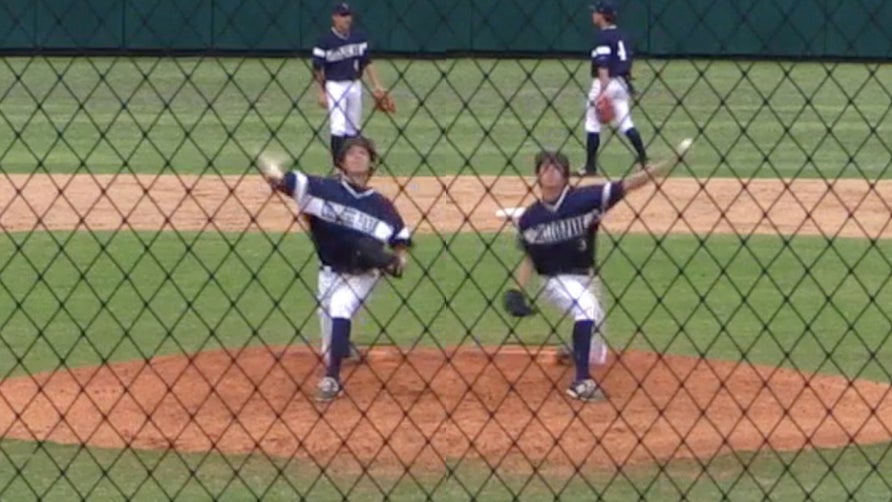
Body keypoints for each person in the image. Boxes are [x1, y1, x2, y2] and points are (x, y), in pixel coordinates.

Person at [503, 150, 674, 401]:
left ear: (566, 175)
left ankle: (574, 352)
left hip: (588, 280)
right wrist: (517, 289)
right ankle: (580, 383)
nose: (551, 171)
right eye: (545, 167)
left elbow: (629, 184)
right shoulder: (530, 218)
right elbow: (530, 257)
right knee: (586, 308)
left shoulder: (585, 199)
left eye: (557, 167)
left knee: (596, 354)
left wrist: (663, 166)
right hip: (554, 281)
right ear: (537, 176)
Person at [259, 137, 411, 402]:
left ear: (372, 162)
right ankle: (341, 351)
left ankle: (332, 380)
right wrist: (272, 172)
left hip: (364, 276)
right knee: (330, 347)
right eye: (350, 153)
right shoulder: (322, 189)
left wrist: (396, 260)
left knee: (341, 307)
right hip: (328, 275)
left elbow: (401, 243)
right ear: (340, 162)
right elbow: (285, 181)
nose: (357, 156)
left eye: (362, 152)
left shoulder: (382, 205)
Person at [312, 3, 389, 165]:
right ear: (334, 18)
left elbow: (367, 62)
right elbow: (317, 69)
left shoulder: (358, 37)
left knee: (354, 126)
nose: (347, 19)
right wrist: (321, 92)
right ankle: (338, 166)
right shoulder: (324, 41)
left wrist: (377, 85)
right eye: (343, 15)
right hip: (334, 86)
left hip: (355, 85)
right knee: (338, 126)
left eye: (348, 15)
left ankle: (351, 165)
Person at [578, 0, 648, 176]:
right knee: (626, 123)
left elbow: (603, 65)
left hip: (605, 82)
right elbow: (626, 61)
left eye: (595, 12)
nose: (593, 15)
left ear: (602, 16)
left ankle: (590, 167)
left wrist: (602, 92)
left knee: (592, 123)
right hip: (622, 83)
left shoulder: (602, 37)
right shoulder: (622, 35)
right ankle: (644, 160)